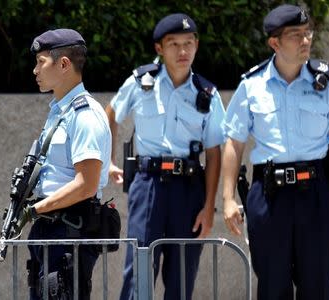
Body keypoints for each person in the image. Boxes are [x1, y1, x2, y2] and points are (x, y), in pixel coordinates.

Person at [222, 4, 329, 300]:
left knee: (317, 288)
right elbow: (233, 143)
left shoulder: (326, 83)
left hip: (317, 196)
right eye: (296, 35)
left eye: (307, 33)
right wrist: (227, 198)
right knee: (272, 289)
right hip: (269, 198)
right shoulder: (252, 86)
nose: (306, 41)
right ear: (274, 43)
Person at [105, 13, 225, 300]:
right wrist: (108, 161)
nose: (182, 51)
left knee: (182, 277)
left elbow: (214, 153)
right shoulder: (140, 82)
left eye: (188, 43)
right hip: (148, 186)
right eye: (174, 44)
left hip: (189, 190)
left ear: (196, 45)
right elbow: (110, 115)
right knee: (138, 272)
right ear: (160, 48)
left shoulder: (207, 93)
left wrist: (209, 207)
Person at [17, 28, 111, 299]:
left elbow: (86, 185)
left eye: (41, 62)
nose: (35, 70)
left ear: (64, 64)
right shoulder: (59, 112)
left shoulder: (85, 115)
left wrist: (35, 210)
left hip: (70, 229)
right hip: (50, 227)